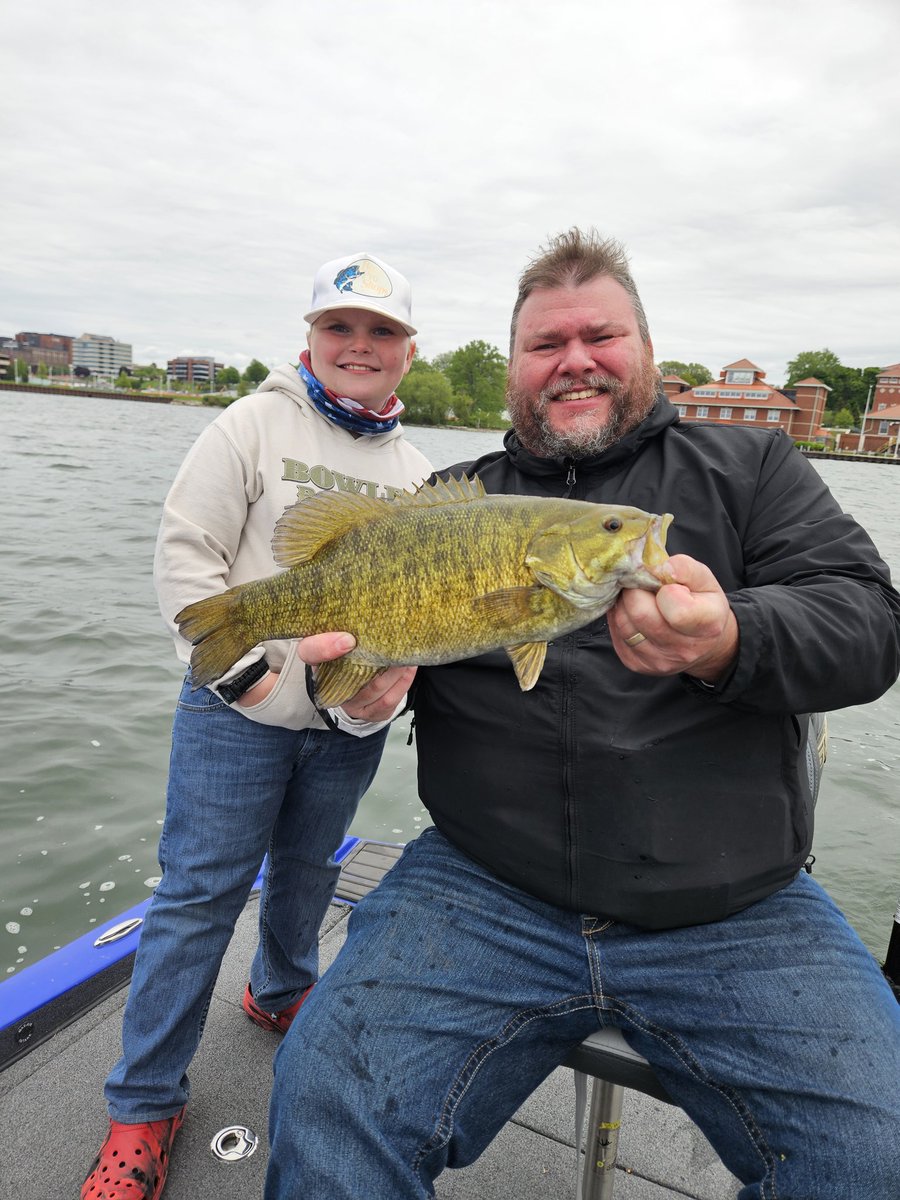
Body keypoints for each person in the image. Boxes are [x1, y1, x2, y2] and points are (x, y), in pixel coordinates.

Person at [265, 229, 900, 1200]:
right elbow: (371, 669)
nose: (575, 361)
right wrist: (356, 701)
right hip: (482, 886)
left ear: (644, 348)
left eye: (600, 336)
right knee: (323, 1112)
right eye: (545, 344)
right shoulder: (449, 500)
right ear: (513, 368)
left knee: (876, 1157)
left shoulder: (753, 468)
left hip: (733, 906)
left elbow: (869, 623)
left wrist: (733, 638)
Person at [81, 253, 432, 1200]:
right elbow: (185, 557)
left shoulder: (417, 473)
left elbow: (425, 618)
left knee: (311, 869)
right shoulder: (250, 423)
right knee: (199, 895)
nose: (359, 345)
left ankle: (278, 990)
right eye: (339, 326)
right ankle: (144, 1101)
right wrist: (251, 681)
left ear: (408, 352)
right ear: (309, 338)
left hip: (346, 725)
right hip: (234, 711)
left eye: (382, 331)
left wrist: (384, 696)